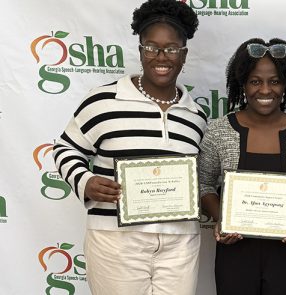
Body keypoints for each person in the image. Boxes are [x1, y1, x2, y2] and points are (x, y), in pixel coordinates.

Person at [52, 1, 206, 294]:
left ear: (183, 55)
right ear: (140, 50)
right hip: (116, 240)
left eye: (172, 49)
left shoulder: (195, 116)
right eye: (152, 47)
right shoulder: (103, 100)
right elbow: (64, 148)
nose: (162, 56)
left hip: (181, 242)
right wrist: (86, 181)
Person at [198, 38, 286, 295]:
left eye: (274, 81)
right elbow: (204, 184)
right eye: (255, 81)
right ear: (242, 83)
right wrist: (222, 218)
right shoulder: (219, 131)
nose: (265, 90)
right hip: (234, 252)